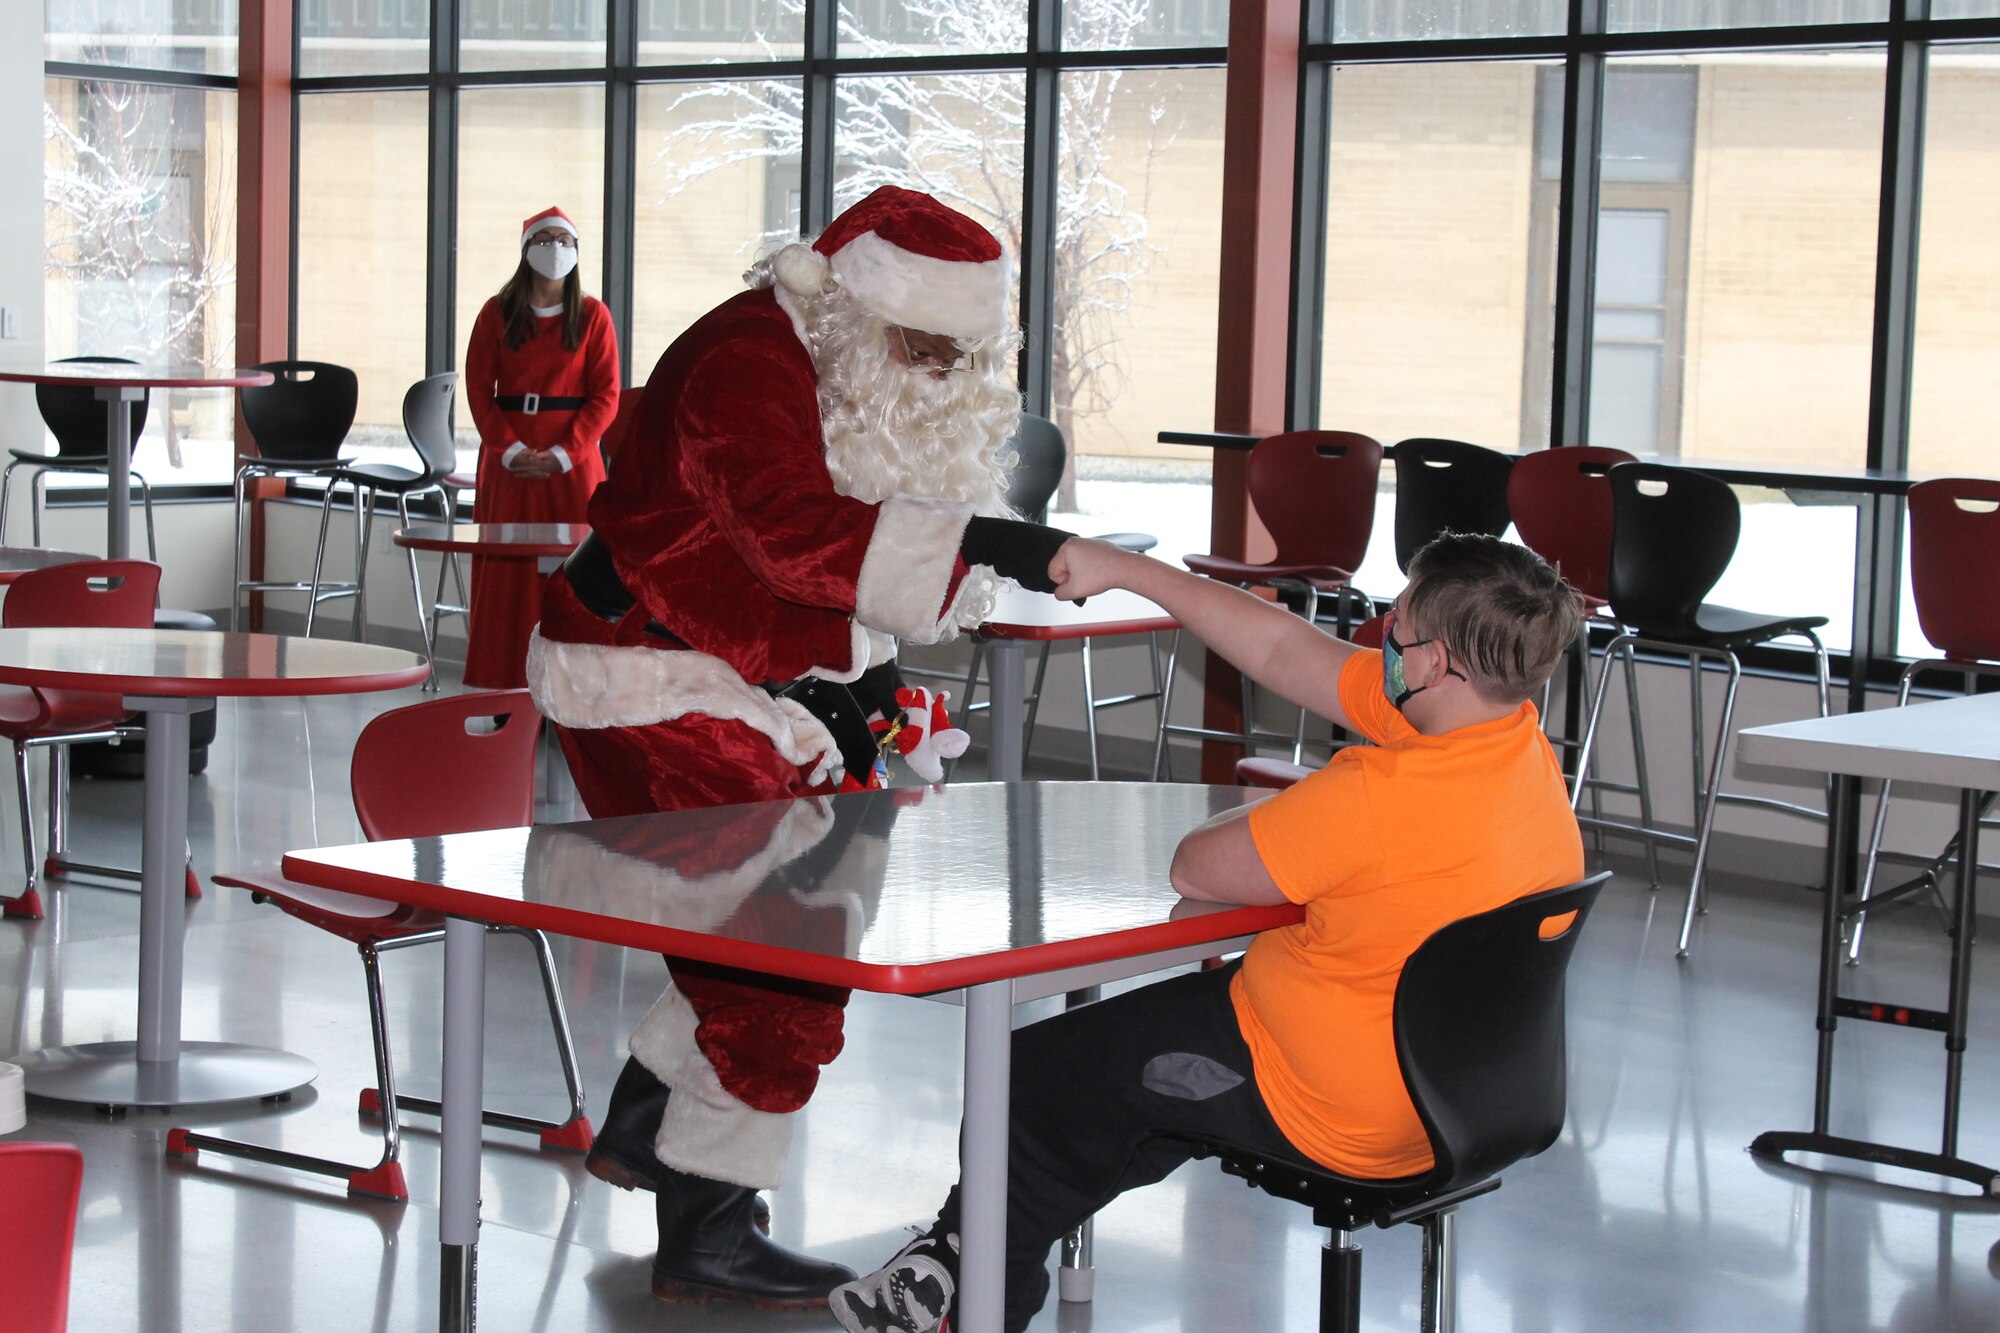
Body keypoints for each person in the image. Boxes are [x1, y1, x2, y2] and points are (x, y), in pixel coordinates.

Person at [523, 186, 1075, 1308]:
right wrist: (980, 541)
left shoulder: (843, 365)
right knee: (787, 945)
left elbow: (830, 542)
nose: (937, 375)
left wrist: (863, 683)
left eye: (956, 355)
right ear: (864, 303)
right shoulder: (746, 361)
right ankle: (707, 1229)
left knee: (790, 906)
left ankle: (645, 1128)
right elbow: (784, 531)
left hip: (743, 668)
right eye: (922, 346)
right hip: (646, 672)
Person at [830, 530, 1587, 1333]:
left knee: (1031, 1076)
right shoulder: (1517, 746)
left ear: (1434, 663)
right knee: (1122, 1081)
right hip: (1461, 1098)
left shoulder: (1380, 792)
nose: (1385, 625)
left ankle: (973, 1300)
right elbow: (1281, 647)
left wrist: (1307, 806)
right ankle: (955, 1261)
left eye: (1400, 614)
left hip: (1323, 1100)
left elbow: (1199, 866)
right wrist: (1127, 571)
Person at [462, 205, 620, 688]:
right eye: (545, 239)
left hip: (572, 468)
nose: (556, 249)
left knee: (572, 575)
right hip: (508, 465)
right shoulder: (496, 313)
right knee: (507, 580)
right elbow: (476, 390)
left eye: (565, 240)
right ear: (527, 248)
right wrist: (509, 450)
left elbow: (606, 395)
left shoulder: (593, 315)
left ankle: (572, 691)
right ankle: (502, 681)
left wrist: (563, 454)